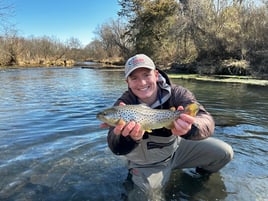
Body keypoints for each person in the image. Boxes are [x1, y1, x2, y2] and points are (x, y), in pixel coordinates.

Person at [101, 54, 233, 197]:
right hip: (147, 164)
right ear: (127, 82)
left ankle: (199, 178)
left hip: (177, 151)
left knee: (224, 152)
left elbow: (205, 119)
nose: (142, 82)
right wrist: (130, 138)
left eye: (146, 74)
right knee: (145, 197)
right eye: (134, 78)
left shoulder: (177, 93)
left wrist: (191, 127)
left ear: (156, 74)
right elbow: (115, 147)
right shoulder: (122, 105)